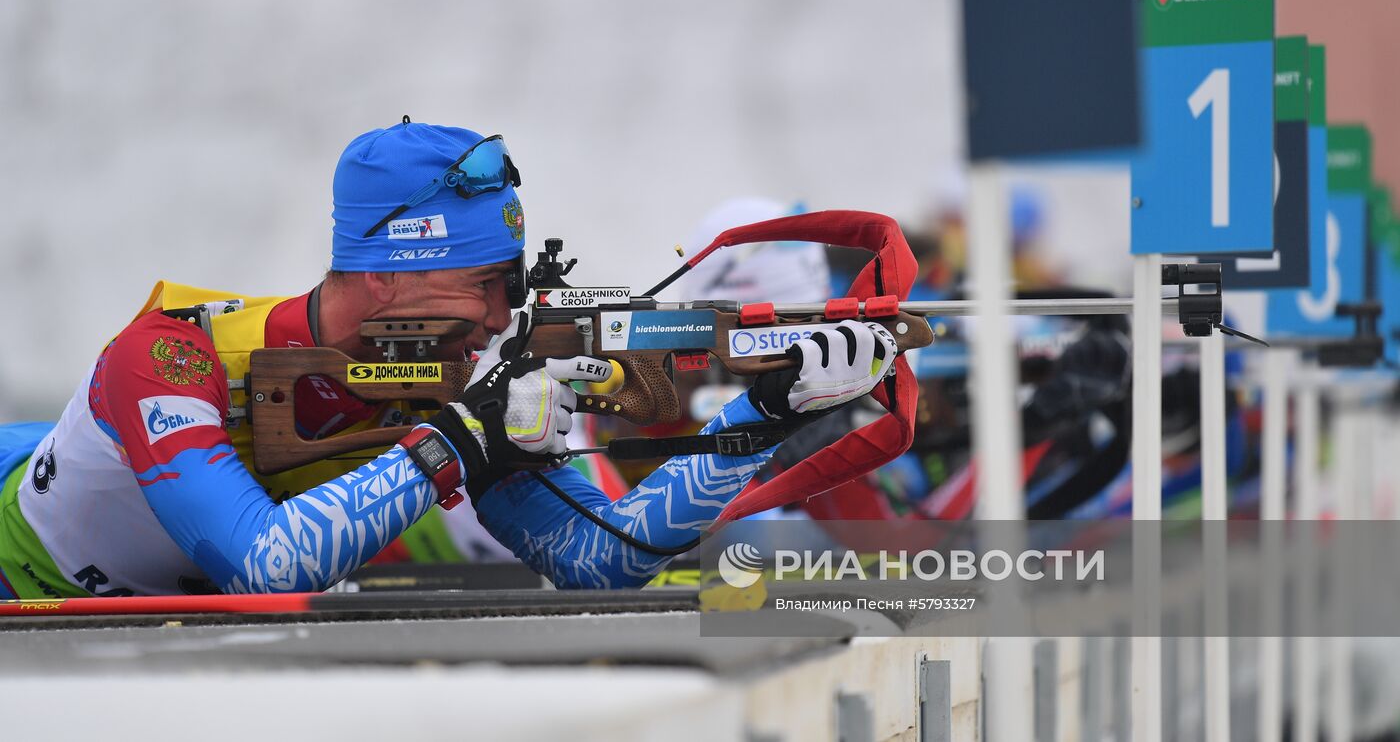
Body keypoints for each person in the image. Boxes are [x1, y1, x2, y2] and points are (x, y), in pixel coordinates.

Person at [0, 120, 895, 597]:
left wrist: (765, 415)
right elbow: (265, 565)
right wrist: (458, 444)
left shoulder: (449, 379)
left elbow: (602, 555)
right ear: (390, 276)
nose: (504, 316)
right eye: (488, 285)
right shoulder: (169, 354)